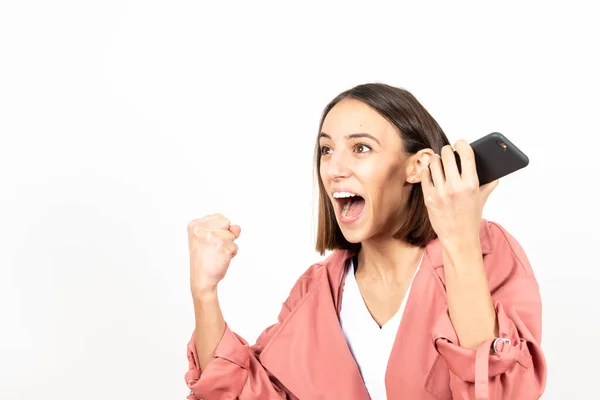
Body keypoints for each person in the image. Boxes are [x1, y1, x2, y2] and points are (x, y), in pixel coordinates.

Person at [184, 83, 547, 400]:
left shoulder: (486, 250)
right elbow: (244, 391)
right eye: (326, 150)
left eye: (361, 148)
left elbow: (503, 391)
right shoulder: (319, 289)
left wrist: (459, 239)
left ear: (417, 166)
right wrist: (204, 291)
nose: (335, 169)